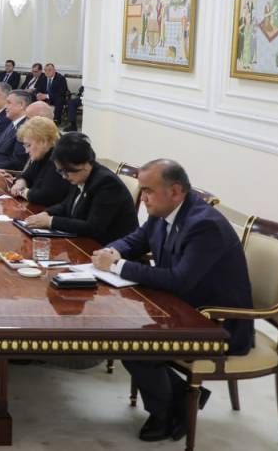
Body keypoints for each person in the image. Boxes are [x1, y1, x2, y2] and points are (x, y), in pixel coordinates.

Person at [92, 160, 253, 443]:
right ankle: (181, 401)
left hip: (217, 323)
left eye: (148, 191)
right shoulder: (163, 211)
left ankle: (166, 413)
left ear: (176, 191)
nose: (143, 198)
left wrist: (117, 266)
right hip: (182, 307)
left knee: (133, 342)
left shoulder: (204, 225)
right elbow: (135, 240)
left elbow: (179, 280)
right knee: (123, 331)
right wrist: (112, 251)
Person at [25, 132, 137, 244]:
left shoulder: (107, 183)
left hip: (109, 247)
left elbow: (92, 227)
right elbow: (66, 205)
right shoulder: (80, 176)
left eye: (67, 171)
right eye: (60, 171)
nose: (64, 176)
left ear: (85, 164)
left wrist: (51, 221)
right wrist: (46, 213)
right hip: (84, 242)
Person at [9, 116, 69, 207]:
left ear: (43, 142)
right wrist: (21, 182)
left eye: (28, 145)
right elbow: (26, 176)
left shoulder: (58, 159)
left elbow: (45, 196)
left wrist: (21, 191)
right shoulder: (42, 154)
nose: (26, 151)